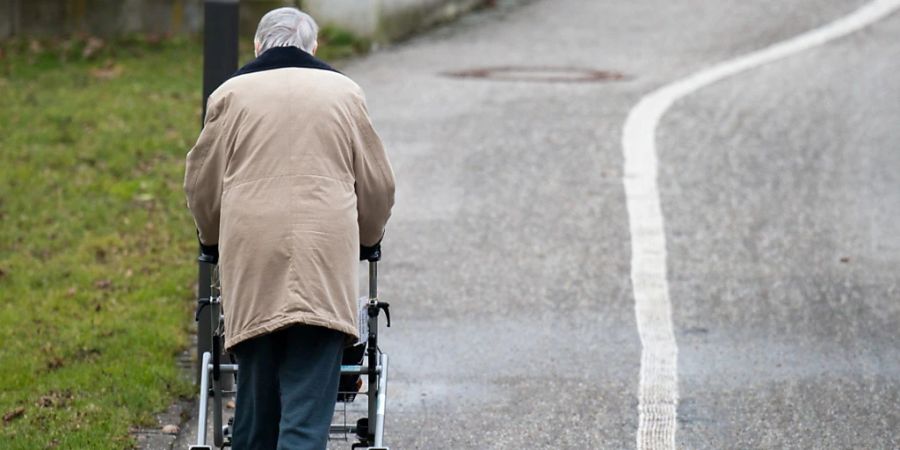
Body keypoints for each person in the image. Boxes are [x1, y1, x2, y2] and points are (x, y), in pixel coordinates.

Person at [183, 7, 395, 449]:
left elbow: (201, 184)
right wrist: (368, 237)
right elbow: (377, 186)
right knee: (305, 412)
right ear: (313, 47)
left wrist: (211, 237)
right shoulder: (344, 93)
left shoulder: (231, 94)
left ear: (258, 46)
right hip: (322, 259)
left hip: (253, 260)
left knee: (256, 410)